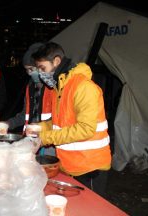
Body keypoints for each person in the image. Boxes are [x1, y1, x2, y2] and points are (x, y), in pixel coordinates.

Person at [32, 41, 111, 197]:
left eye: (42, 68)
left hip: (90, 168)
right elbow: (60, 122)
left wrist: (44, 138)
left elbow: (85, 129)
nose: (41, 74)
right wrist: (39, 128)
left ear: (56, 61)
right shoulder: (59, 88)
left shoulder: (84, 87)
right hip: (70, 164)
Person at [5, 42, 55, 156]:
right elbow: (25, 114)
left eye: (32, 69)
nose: (29, 73)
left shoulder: (53, 87)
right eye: (27, 70)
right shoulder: (30, 87)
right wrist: (9, 123)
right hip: (30, 140)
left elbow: (60, 120)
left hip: (49, 144)